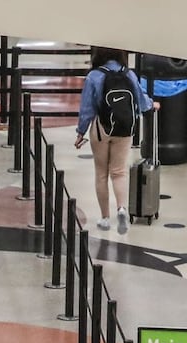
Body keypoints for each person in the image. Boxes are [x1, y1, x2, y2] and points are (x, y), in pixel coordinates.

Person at [72, 47, 153, 234]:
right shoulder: (129, 74)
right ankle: (122, 209)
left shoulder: (94, 76)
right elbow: (141, 101)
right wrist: (151, 104)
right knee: (119, 171)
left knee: (101, 173)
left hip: (101, 129)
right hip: (124, 129)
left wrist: (80, 132)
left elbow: (87, 109)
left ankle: (105, 218)